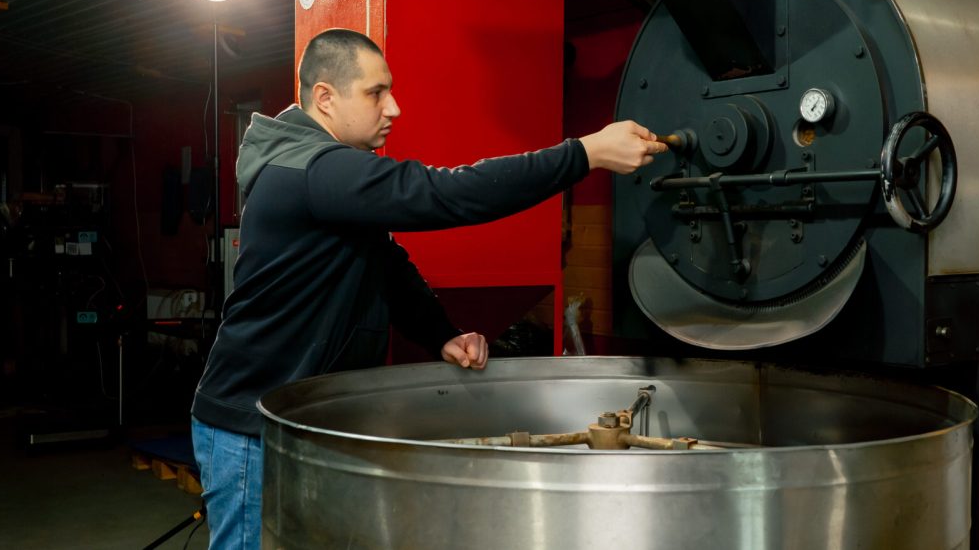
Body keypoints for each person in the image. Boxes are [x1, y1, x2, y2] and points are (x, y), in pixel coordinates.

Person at [190, 27, 667, 549]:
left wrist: (440, 333)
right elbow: (447, 194)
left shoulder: (322, 171)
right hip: (248, 428)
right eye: (376, 93)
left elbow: (385, 263)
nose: (393, 108)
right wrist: (584, 153)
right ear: (325, 98)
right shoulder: (311, 170)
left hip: (297, 417)